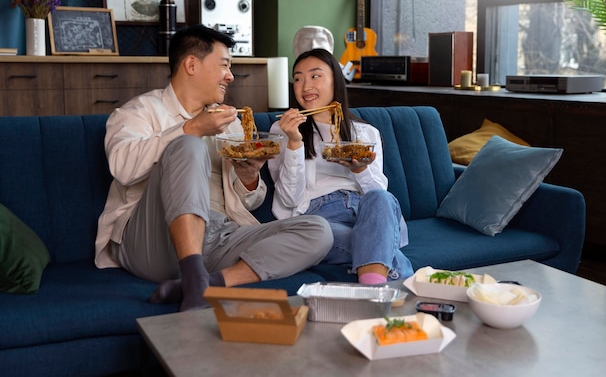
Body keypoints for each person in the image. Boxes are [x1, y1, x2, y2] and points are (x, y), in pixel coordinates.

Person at [94, 25, 333, 312]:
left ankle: (203, 284)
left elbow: (248, 202)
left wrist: (248, 175)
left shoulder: (229, 123)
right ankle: (195, 280)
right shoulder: (138, 112)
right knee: (188, 145)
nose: (230, 76)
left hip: (217, 235)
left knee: (319, 231)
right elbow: (122, 167)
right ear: (192, 65)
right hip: (152, 241)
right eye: (224, 65)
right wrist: (191, 129)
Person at [268, 48, 413, 284]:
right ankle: (383, 283)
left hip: (367, 212)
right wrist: (295, 142)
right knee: (376, 248)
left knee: (380, 198)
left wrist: (360, 170)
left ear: (336, 79)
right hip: (319, 218)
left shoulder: (365, 132)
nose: (305, 86)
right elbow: (289, 199)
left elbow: (379, 195)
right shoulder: (283, 131)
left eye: (315, 76)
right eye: (298, 78)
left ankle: (372, 286)